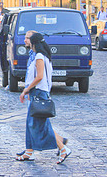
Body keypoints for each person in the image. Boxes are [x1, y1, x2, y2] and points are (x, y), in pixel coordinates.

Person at [16, 33, 71, 164]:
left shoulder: (40, 57)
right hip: (39, 92)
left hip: (38, 93)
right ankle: (29, 151)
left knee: (41, 125)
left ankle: (63, 148)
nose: (27, 42)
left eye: (29, 41)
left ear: (34, 44)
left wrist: (26, 89)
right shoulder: (43, 56)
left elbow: (39, 76)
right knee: (32, 123)